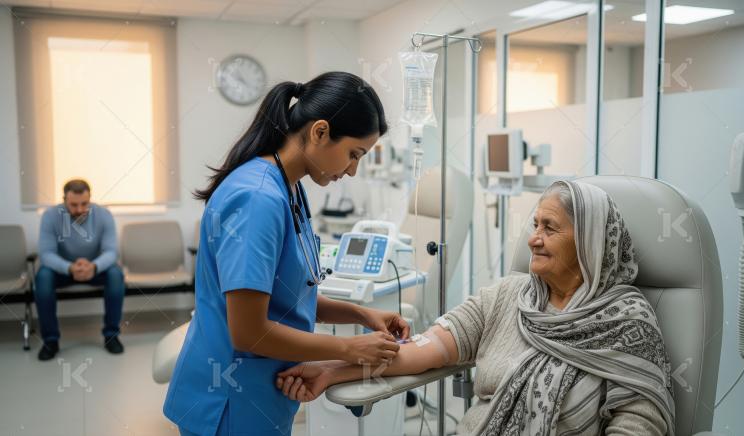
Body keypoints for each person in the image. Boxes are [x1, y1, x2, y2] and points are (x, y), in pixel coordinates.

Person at [276, 180, 676, 436]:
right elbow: (424, 349)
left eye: (550, 228)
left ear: (589, 242)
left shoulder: (626, 321)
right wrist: (330, 371)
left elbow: (640, 422)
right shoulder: (510, 296)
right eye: (535, 225)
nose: (533, 239)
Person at [163, 71, 409, 436]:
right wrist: (348, 349)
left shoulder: (289, 188)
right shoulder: (258, 199)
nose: (353, 170)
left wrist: (361, 313)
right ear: (320, 132)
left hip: (260, 392)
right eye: (353, 154)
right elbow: (248, 332)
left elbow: (291, 295)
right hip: (228, 400)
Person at [35, 179, 125, 361]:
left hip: (94, 269)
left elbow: (111, 252)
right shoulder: (50, 216)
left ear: (90, 199)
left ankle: (111, 335)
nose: (80, 209)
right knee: (43, 277)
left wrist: (94, 266)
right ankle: (50, 340)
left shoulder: (104, 215)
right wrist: (69, 267)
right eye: (74, 205)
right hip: (63, 270)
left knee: (116, 274)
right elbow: (46, 254)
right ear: (64, 200)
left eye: (84, 203)